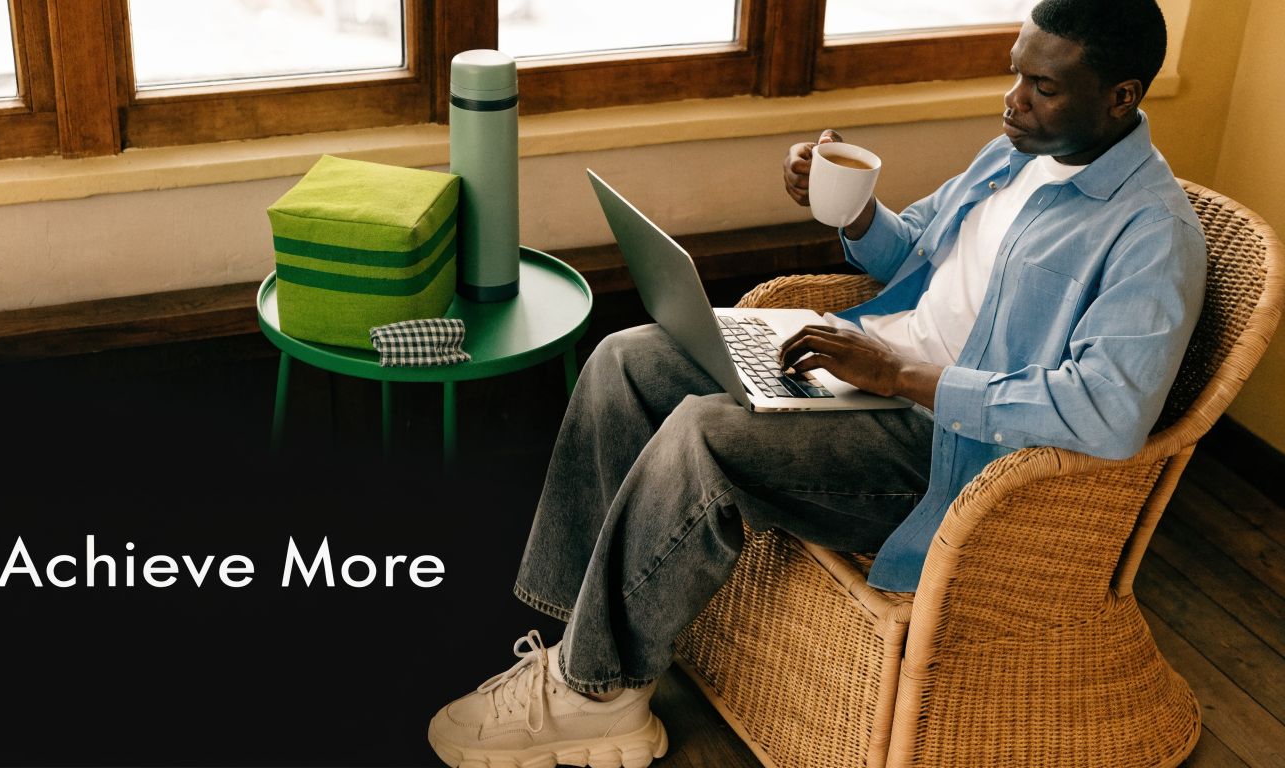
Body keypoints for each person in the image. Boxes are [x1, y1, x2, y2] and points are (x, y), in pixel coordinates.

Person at [427, 1, 1205, 766]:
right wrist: (855, 210)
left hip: (948, 448)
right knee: (627, 361)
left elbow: (1110, 411)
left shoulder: (1150, 234)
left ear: (1121, 96)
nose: (1013, 100)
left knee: (706, 438)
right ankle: (576, 645)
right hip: (868, 369)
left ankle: (596, 695)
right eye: (1016, 75)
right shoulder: (1019, 151)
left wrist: (899, 374)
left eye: (1043, 87)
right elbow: (912, 256)